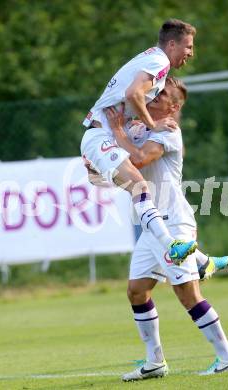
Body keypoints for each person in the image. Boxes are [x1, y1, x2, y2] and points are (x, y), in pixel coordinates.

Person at [104, 77, 228, 381]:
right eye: (157, 89)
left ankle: (227, 357)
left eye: (164, 93)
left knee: (186, 292)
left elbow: (138, 160)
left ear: (174, 106)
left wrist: (116, 132)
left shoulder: (169, 131)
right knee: (137, 291)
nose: (156, 94)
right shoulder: (141, 127)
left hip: (173, 222)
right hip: (150, 225)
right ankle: (155, 362)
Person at [81, 18, 197, 263]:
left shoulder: (152, 58)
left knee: (137, 188)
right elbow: (133, 94)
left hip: (104, 137)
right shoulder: (159, 62)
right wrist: (152, 124)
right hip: (101, 135)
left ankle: (200, 260)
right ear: (173, 44)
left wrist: (138, 124)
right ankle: (173, 246)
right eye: (188, 46)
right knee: (140, 186)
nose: (191, 53)